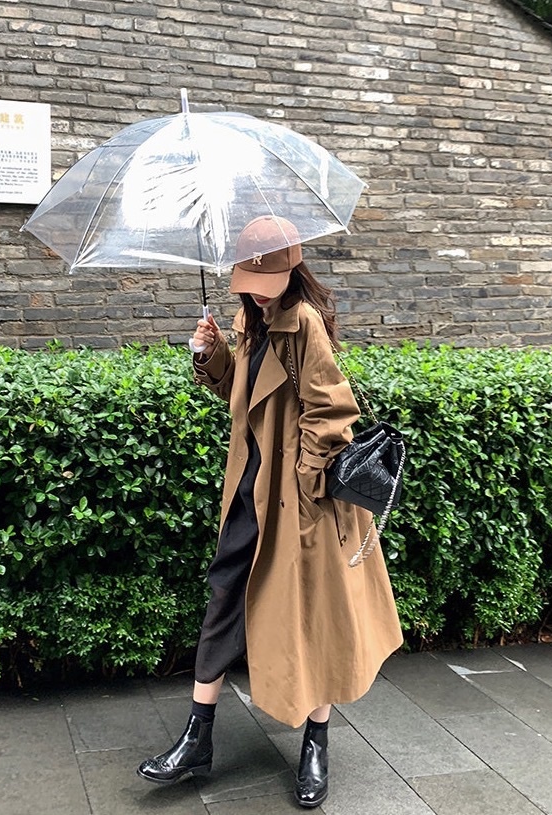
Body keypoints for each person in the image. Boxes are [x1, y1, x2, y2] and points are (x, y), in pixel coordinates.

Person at [137, 215, 403, 808]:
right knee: (224, 599)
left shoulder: (303, 322)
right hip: (250, 492)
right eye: (249, 284)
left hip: (301, 503)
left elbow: (332, 412)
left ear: (291, 273)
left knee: (314, 615)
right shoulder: (250, 322)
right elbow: (243, 395)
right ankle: (197, 737)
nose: (257, 293)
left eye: (268, 283)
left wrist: (307, 482)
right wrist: (212, 355)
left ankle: (315, 744)